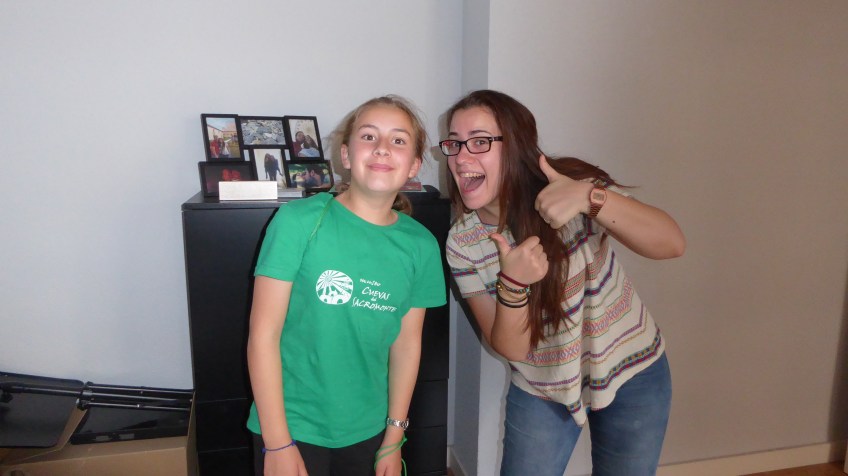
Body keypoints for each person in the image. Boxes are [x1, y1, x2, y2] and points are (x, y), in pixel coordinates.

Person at [441, 90, 686, 476]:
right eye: (454, 143)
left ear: (516, 145)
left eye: (480, 141)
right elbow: (511, 347)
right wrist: (512, 285)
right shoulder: (462, 242)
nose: (461, 156)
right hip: (541, 385)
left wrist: (591, 197)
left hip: (633, 367)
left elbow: (671, 243)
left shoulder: (572, 189)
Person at [247, 95, 447, 476]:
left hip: (369, 432)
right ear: (346, 155)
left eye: (398, 140)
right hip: (290, 428)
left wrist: (394, 437)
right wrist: (278, 442)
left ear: (414, 165)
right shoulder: (297, 222)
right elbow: (263, 336)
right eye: (369, 136)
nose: (382, 148)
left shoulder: (421, 245)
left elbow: (407, 345)